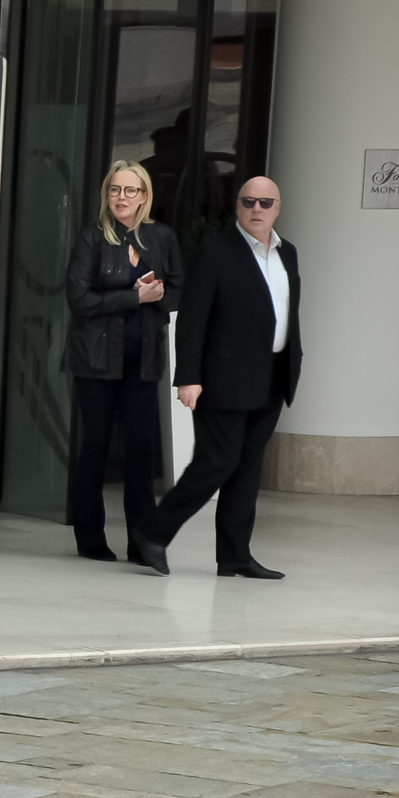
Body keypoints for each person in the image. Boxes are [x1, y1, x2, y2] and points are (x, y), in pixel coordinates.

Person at [133, 175, 300, 580]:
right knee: (216, 463)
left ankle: (235, 555)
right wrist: (188, 377)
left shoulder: (288, 253)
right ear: (238, 207)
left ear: (278, 208)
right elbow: (192, 320)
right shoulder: (216, 253)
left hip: (272, 377)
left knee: (246, 469)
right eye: (248, 202)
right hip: (223, 378)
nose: (256, 209)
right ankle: (152, 532)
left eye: (265, 203)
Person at [63, 161, 185, 562]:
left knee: (141, 452)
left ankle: (141, 542)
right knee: (95, 447)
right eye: (115, 190)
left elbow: (179, 291)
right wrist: (133, 297)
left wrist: (156, 293)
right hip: (95, 362)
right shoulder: (92, 238)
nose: (122, 198)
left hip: (143, 361)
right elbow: (79, 300)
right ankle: (90, 539)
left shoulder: (162, 237)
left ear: (145, 196)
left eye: (131, 191)